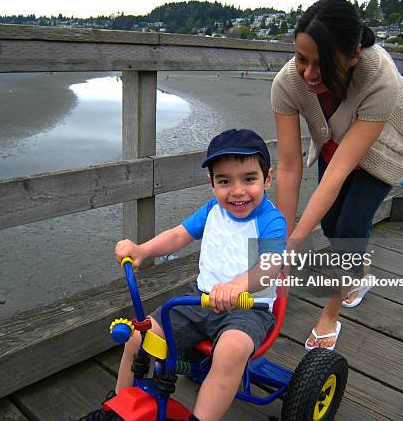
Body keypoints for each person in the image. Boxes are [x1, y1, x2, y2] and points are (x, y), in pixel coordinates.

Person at [79, 129, 286, 421]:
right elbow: (178, 235)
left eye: (249, 179)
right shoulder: (213, 210)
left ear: (267, 178)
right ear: (211, 184)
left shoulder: (270, 220)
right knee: (139, 336)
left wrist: (236, 286)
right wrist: (142, 249)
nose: (237, 191)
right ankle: (116, 407)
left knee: (230, 352)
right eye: (225, 181)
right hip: (198, 301)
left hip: (248, 308)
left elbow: (270, 266)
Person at [271, 0, 403, 350]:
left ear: (353, 55)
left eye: (322, 65)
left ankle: (330, 316)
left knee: (350, 230)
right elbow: (290, 167)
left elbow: (338, 172)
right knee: (329, 225)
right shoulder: (287, 83)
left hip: (385, 140)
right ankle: (361, 272)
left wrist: (295, 244)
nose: (308, 75)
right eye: (301, 59)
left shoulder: (379, 77)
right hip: (334, 140)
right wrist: (282, 238)